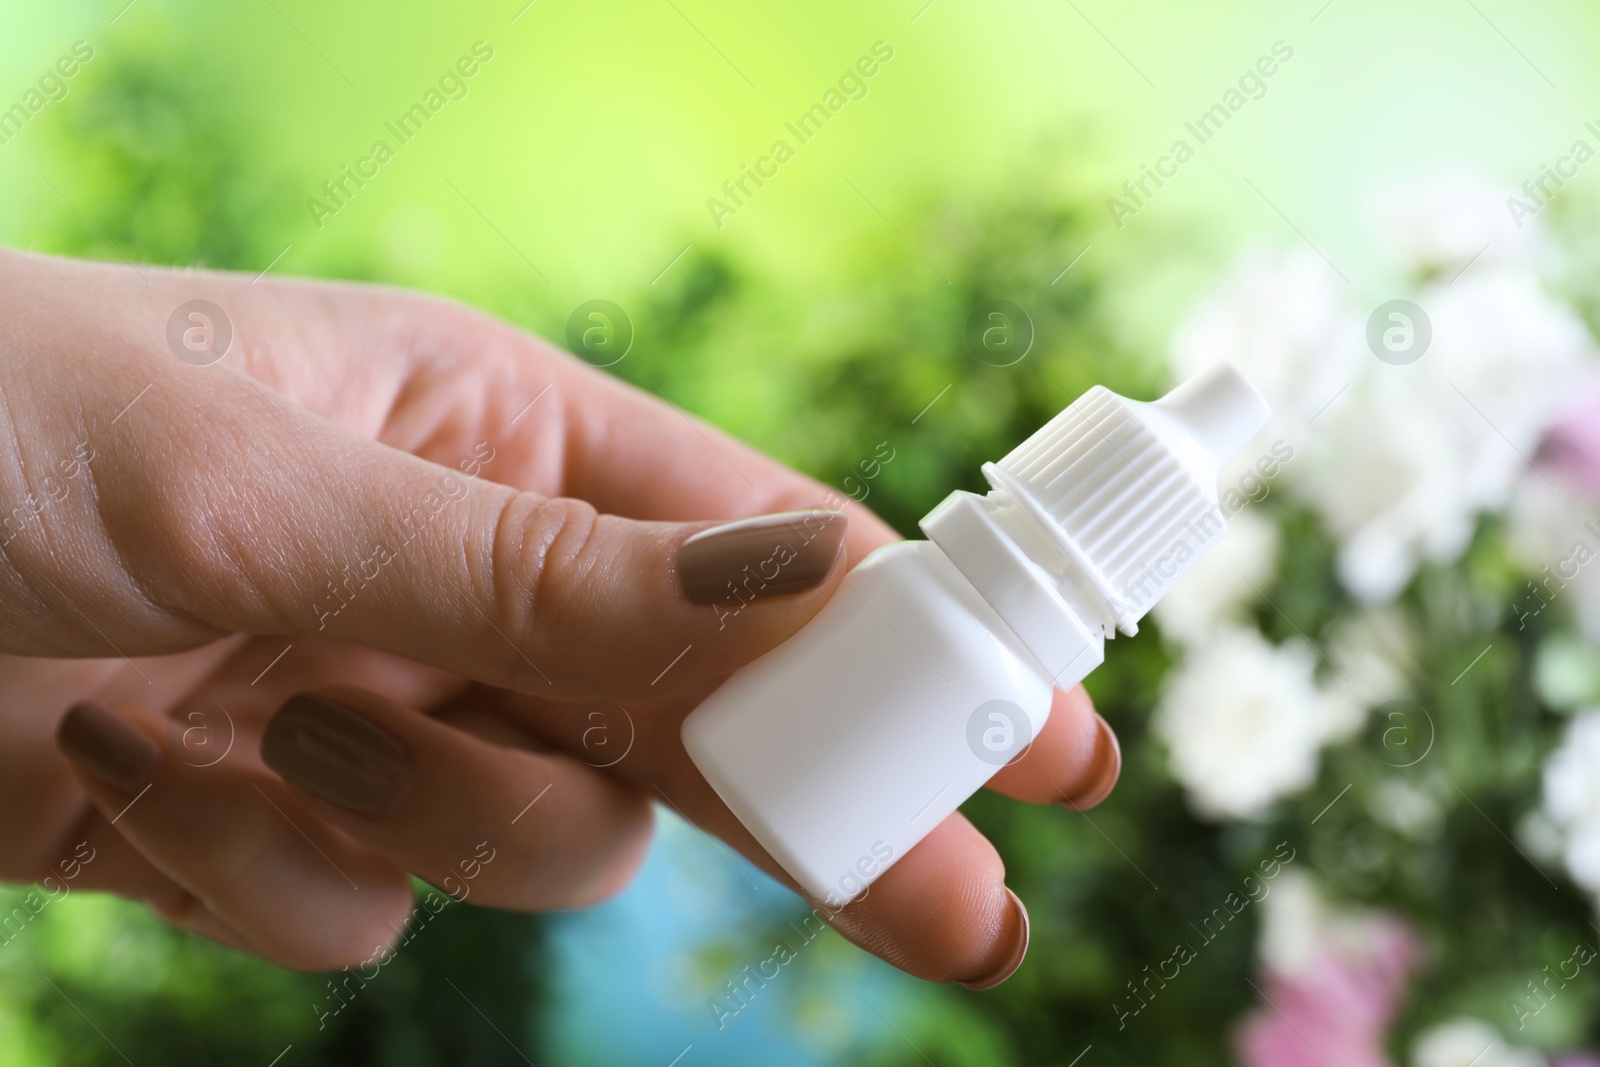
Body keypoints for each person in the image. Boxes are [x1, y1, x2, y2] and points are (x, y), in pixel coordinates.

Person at [0, 247, 1120, 991]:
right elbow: (539, 584)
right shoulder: (928, 612)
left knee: (447, 869)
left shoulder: (986, 669)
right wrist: (534, 576)